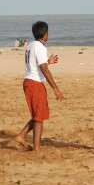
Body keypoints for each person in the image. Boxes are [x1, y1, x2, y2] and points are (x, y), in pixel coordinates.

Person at [13, 21, 64, 152]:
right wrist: (55, 88)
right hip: (35, 83)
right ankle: (36, 149)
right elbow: (43, 69)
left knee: (38, 115)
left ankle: (21, 136)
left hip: (29, 82)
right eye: (48, 32)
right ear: (44, 34)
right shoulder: (40, 47)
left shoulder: (31, 45)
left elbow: (39, 65)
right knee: (39, 117)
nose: (48, 35)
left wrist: (48, 61)